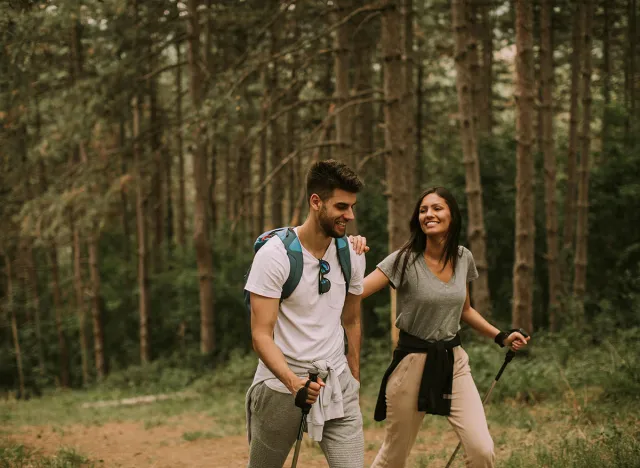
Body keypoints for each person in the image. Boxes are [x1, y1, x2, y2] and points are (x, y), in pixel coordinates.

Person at [351, 186, 529, 468]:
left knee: (482, 451)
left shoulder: (463, 258)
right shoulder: (404, 259)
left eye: (437, 208)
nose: (429, 214)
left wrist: (502, 336)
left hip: (453, 361)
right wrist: (348, 255)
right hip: (411, 362)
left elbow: (465, 309)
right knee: (393, 457)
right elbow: (357, 291)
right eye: (423, 210)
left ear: (452, 216)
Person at [244, 159, 367, 468]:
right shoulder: (275, 256)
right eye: (341, 206)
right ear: (316, 202)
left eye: (352, 207)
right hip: (281, 386)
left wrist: (353, 376)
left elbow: (351, 320)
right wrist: (293, 382)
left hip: (337, 383)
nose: (349, 216)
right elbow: (261, 334)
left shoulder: (352, 253)